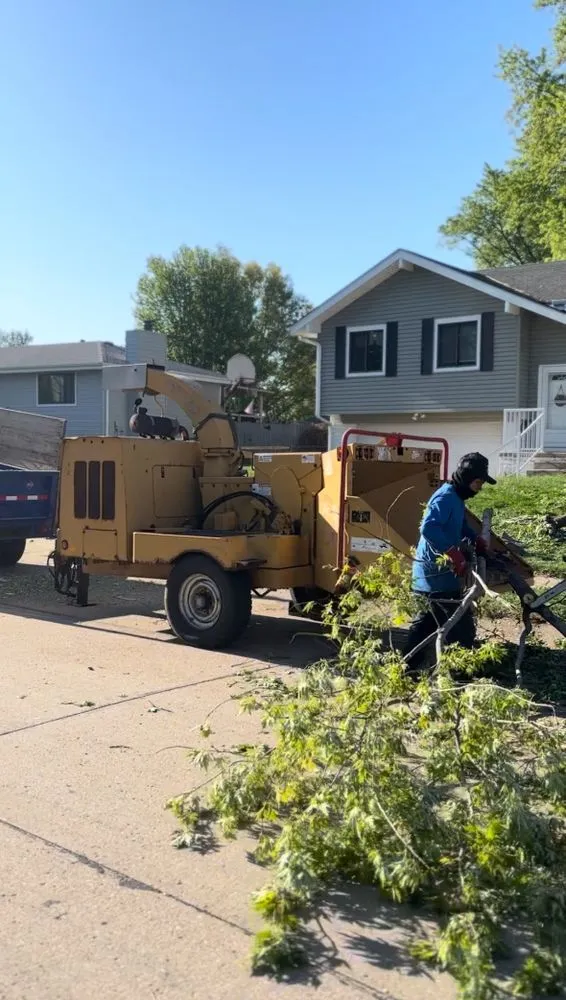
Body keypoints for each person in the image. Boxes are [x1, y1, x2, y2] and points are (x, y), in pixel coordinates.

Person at [404, 452, 496, 670]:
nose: (479, 488)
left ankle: (408, 669)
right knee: (460, 628)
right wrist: (454, 553)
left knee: (428, 624)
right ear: (466, 479)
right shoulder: (445, 497)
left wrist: (476, 540)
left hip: (440, 575)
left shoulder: (456, 498)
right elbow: (429, 528)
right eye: (478, 482)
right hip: (433, 574)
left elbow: (459, 525)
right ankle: (460, 672)